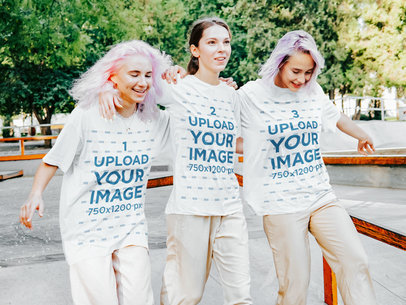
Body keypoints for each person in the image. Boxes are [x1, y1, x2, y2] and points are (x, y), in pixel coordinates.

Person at [100, 17, 252, 305]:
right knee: (184, 296)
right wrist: (107, 89)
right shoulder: (178, 86)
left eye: (226, 42)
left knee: (241, 295)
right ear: (195, 50)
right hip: (190, 208)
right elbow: (132, 84)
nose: (222, 49)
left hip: (230, 206)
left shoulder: (231, 95)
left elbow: (232, 143)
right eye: (212, 42)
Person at [19, 40, 171, 305]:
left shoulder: (154, 119)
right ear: (111, 76)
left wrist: (183, 75)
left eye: (148, 75)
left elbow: (188, 110)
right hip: (87, 227)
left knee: (139, 298)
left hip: (130, 225)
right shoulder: (87, 115)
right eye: (133, 74)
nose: (143, 82)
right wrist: (35, 194)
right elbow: (53, 160)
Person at [237, 30, 377, 305]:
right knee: (295, 285)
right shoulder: (251, 95)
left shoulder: (313, 92)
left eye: (309, 72)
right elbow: (225, 132)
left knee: (355, 261)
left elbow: (335, 117)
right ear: (280, 64)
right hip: (280, 202)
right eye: (296, 71)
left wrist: (361, 134)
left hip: (319, 195)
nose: (302, 79)